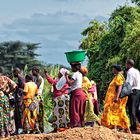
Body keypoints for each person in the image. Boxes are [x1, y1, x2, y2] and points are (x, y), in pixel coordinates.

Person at [101, 64, 131, 133]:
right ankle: (116, 127)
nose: (112, 70)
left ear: (116, 69)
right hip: (112, 98)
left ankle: (120, 127)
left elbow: (120, 86)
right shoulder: (117, 76)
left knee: (116, 111)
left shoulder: (118, 76)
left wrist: (117, 97)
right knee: (117, 112)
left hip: (115, 99)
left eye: (113, 69)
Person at [65, 62, 86, 127]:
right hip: (81, 93)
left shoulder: (75, 74)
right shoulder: (80, 74)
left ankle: (75, 125)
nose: (71, 69)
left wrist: (66, 76)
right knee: (80, 110)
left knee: (75, 109)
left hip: (76, 94)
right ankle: (80, 124)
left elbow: (70, 83)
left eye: (72, 67)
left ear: (74, 67)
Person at [0, 67, 17, 138]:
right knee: (6, 115)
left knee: (0, 116)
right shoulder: (6, 78)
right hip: (5, 98)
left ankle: (2, 133)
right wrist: (8, 91)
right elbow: (15, 85)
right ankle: (7, 132)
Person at [125, 59, 140, 132]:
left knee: (131, 110)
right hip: (138, 91)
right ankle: (137, 125)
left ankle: (133, 127)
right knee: (137, 109)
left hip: (132, 92)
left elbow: (129, 84)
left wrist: (124, 93)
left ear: (128, 64)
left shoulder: (130, 72)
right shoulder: (137, 71)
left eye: (126, 64)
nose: (126, 65)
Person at [32, 67, 44, 133]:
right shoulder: (37, 78)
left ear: (36, 71)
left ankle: (38, 129)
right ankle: (39, 128)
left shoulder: (39, 78)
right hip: (39, 96)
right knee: (38, 112)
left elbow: (35, 88)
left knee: (37, 112)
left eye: (33, 71)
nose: (32, 73)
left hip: (38, 96)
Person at [13, 68, 25, 134]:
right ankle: (18, 130)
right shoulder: (20, 78)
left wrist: (21, 100)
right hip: (18, 99)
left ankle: (20, 130)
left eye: (14, 72)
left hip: (19, 99)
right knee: (17, 116)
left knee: (19, 116)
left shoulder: (20, 78)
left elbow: (23, 88)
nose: (13, 74)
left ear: (17, 72)